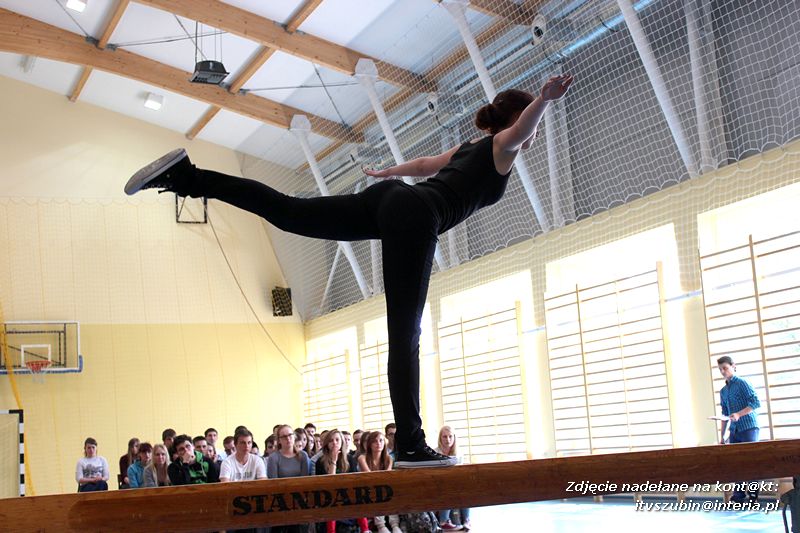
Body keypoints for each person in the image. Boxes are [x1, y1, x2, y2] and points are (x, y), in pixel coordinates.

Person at [125, 74, 574, 467]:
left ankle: (188, 177)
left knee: (290, 212)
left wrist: (388, 173)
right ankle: (410, 443)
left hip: (392, 200)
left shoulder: (470, 147)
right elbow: (521, 129)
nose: (531, 132)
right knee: (405, 337)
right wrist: (545, 98)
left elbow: (425, 166)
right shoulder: (501, 147)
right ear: (513, 121)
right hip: (416, 216)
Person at [716, 355, 762, 503]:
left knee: (751, 462)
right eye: (720, 369)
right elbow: (724, 414)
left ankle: (753, 497)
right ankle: (738, 497)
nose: (723, 371)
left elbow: (756, 403)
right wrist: (722, 437)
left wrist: (738, 414)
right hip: (734, 430)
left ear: (733, 366)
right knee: (737, 464)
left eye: (725, 368)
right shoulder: (723, 391)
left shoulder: (743, 383)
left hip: (749, 427)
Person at [316, 430, 369, 533]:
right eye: (331, 440)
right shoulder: (320, 462)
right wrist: (333, 461)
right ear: (327, 444)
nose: (334, 443)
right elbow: (327, 483)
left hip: (348, 493)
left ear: (342, 442)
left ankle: (365, 529)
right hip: (329, 494)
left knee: (358, 498)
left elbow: (354, 481)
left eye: (337, 440)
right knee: (331, 502)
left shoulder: (350, 459)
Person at [267, 425, 311, 533]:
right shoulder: (273, 458)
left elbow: (304, 481)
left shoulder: (303, 456)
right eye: (284, 436)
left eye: (290, 435)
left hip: (299, 501)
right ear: (279, 440)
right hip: (280, 502)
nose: (288, 438)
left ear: (294, 436)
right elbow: (274, 484)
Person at [357, 431, 401, 533]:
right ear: (370, 444)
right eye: (375, 441)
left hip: (385, 488)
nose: (378, 443)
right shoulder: (362, 458)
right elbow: (371, 478)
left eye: (381, 440)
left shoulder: (389, 458)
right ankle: (381, 525)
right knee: (378, 491)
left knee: (389, 491)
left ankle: (395, 525)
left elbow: (388, 477)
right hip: (369, 489)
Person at [435, 426, 469, 530]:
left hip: (455, 482)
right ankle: (444, 520)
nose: (448, 440)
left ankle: (466, 520)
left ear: (454, 437)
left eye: (450, 436)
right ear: (440, 438)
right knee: (449, 488)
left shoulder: (459, 454)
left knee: (465, 489)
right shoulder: (434, 452)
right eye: (444, 437)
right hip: (439, 483)